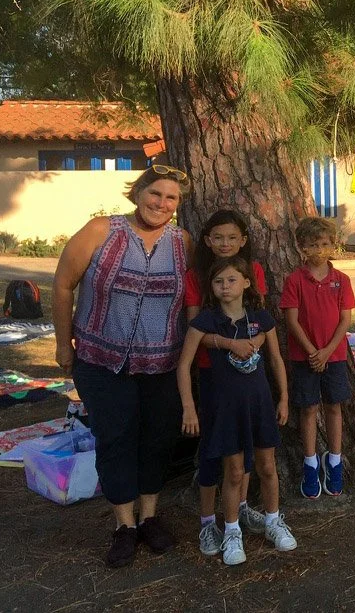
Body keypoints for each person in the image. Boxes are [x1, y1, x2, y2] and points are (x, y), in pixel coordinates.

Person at [53, 165, 192, 568]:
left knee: (157, 439)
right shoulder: (101, 230)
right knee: (115, 439)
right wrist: (64, 343)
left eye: (171, 199)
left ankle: (149, 517)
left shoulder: (183, 243)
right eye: (155, 194)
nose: (161, 204)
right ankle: (124, 526)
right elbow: (63, 284)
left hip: (163, 363)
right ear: (138, 192)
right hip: (101, 361)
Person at [177, 256, 296, 565]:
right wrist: (189, 407)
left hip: (259, 406)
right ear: (211, 288)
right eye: (218, 282)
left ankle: (273, 520)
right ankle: (231, 532)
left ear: (246, 282)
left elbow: (275, 360)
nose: (225, 286)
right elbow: (184, 365)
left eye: (231, 280)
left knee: (267, 466)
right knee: (233, 471)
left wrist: (283, 398)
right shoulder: (204, 322)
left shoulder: (260, 319)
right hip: (225, 410)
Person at [184, 209, 269, 555]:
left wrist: (253, 345)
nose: (225, 244)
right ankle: (208, 524)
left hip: (249, 371)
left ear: (243, 240)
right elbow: (195, 330)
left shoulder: (255, 271)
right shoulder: (196, 276)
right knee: (212, 449)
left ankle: (241, 508)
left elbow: (261, 322)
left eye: (232, 237)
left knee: (245, 448)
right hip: (212, 371)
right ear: (207, 240)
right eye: (218, 237)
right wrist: (228, 343)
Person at [280, 218, 355, 499]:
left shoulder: (342, 280)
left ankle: (334, 460)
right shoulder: (295, 280)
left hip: (333, 356)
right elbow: (292, 320)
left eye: (325, 244)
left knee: (334, 406)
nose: (319, 250)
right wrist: (313, 352)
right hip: (305, 358)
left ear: (333, 245)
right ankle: (310, 462)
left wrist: (326, 351)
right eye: (313, 245)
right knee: (309, 409)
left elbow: (345, 319)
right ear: (302, 247)